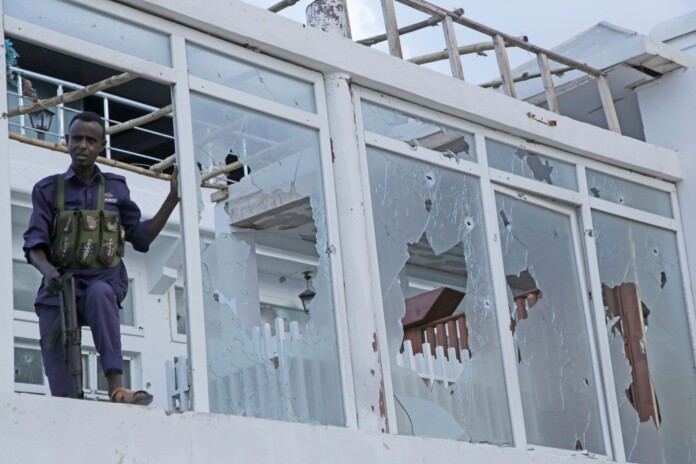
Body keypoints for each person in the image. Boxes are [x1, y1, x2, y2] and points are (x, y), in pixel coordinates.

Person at [23, 111, 179, 405]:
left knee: (99, 294)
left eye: (91, 140)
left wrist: (173, 198)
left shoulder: (116, 188)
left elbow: (141, 237)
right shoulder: (47, 190)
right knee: (63, 393)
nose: (83, 145)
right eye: (77, 139)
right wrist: (48, 271)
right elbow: (34, 244)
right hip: (60, 286)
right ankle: (69, 404)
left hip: (103, 280)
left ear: (101, 147)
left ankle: (116, 388)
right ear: (66, 141)